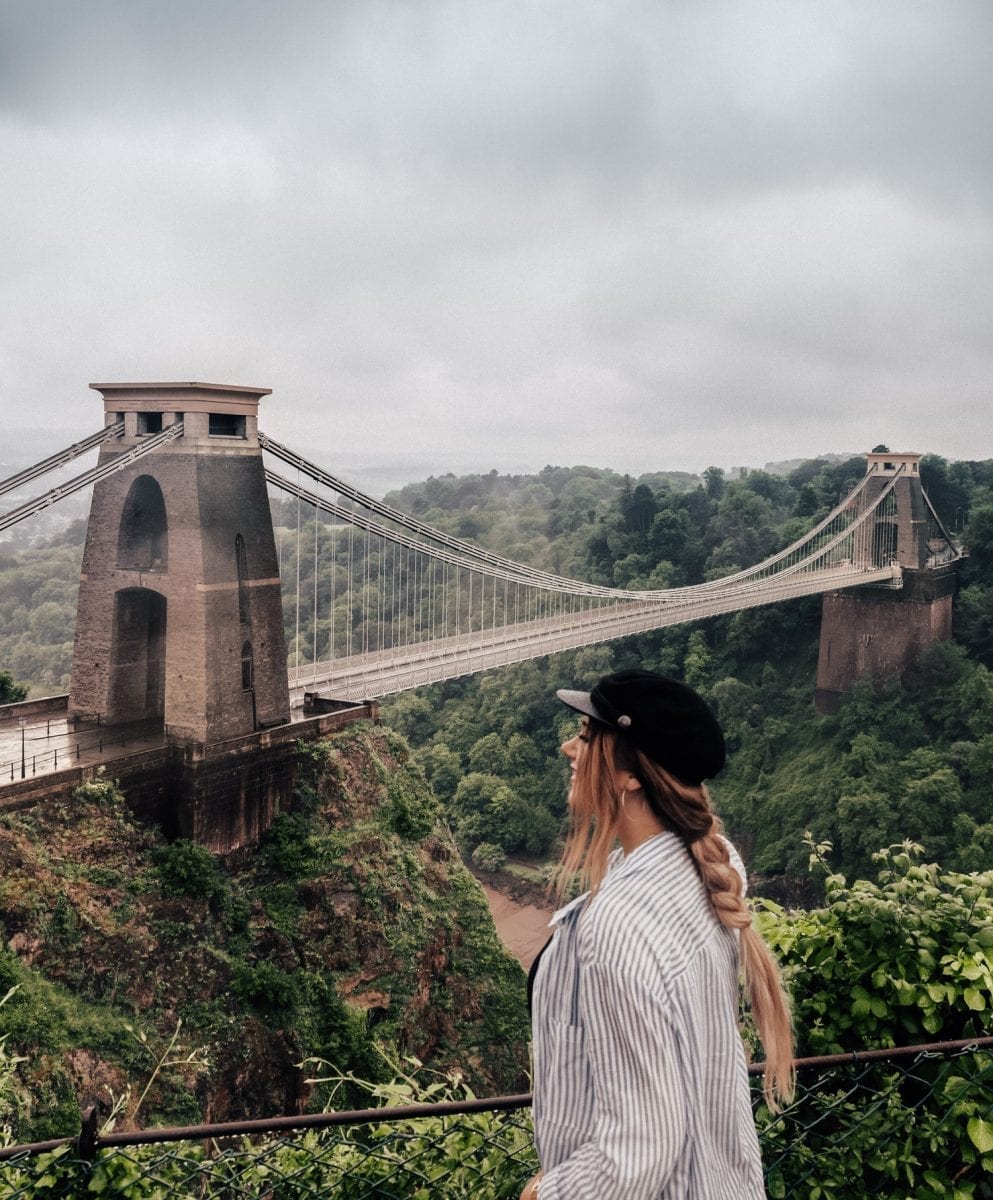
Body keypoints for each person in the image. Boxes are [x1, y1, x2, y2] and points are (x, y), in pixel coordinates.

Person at [520, 669, 794, 1200]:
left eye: (585, 734)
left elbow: (641, 1149)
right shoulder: (713, 863)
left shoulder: (619, 927)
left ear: (630, 775)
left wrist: (547, 1193)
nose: (568, 748)